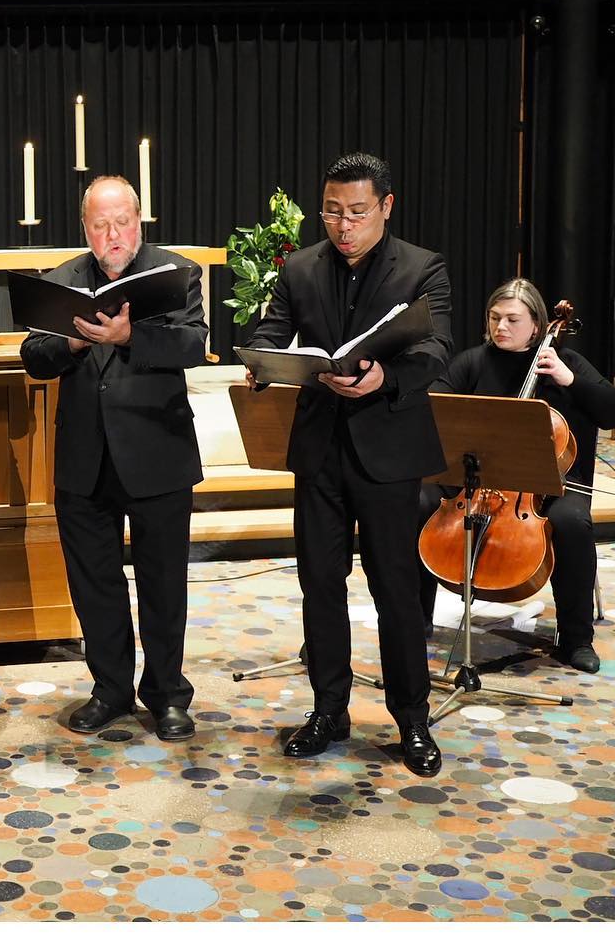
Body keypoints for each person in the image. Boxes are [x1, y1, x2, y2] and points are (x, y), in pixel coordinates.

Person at [246, 152, 453, 778]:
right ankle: (329, 709)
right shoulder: (300, 268)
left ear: (385, 207)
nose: (343, 225)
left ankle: (411, 718)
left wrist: (386, 377)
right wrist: (261, 362)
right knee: (320, 585)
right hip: (319, 449)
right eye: (332, 211)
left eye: (357, 212)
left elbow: (437, 347)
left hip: (388, 451)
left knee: (395, 590)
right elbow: (272, 332)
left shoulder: (422, 267)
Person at [19, 175, 209, 743]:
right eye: (100, 225)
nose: (113, 234)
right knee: (94, 582)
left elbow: (192, 345)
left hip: (157, 452)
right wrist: (73, 342)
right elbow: (34, 356)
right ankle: (110, 690)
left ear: (138, 220)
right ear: (86, 229)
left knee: (163, 583)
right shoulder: (62, 280)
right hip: (85, 456)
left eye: (122, 222)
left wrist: (128, 338)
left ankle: (167, 693)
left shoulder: (175, 273)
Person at [417, 278, 615, 673]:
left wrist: (569, 380)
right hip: (476, 479)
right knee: (420, 501)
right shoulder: (473, 362)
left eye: (512, 319)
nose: (501, 327)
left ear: (537, 325)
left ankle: (576, 637)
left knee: (571, 522)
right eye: (494, 317)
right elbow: (434, 407)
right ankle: (416, 619)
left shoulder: (566, 363)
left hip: (551, 486)